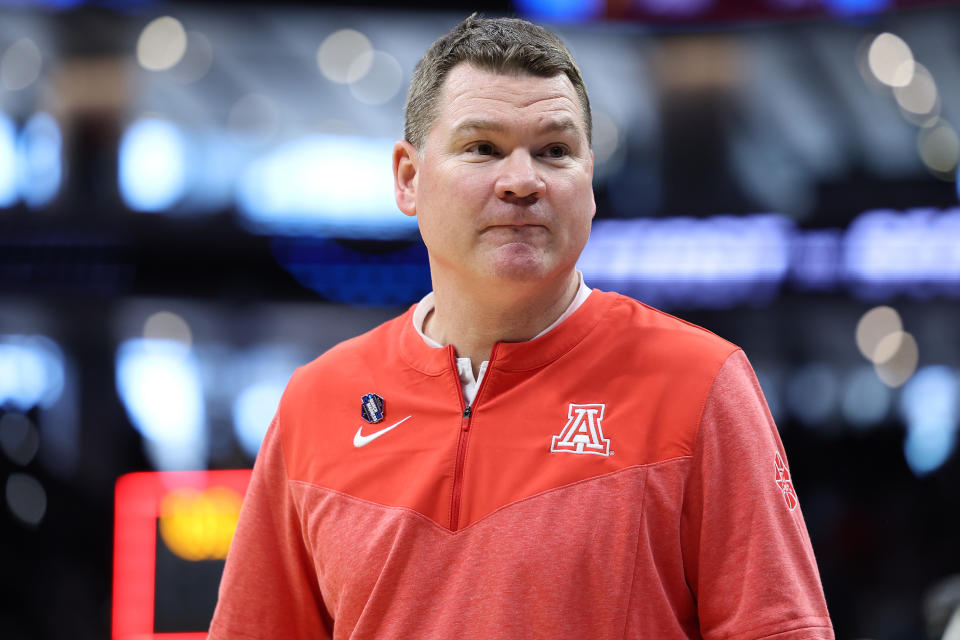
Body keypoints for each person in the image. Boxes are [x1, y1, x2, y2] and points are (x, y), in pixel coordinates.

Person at [209, 14, 834, 639]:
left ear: (589, 182)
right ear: (408, 178)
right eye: (482, 147)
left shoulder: (701, 383)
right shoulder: (317, 402)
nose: (522, 181)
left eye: (554, 151)